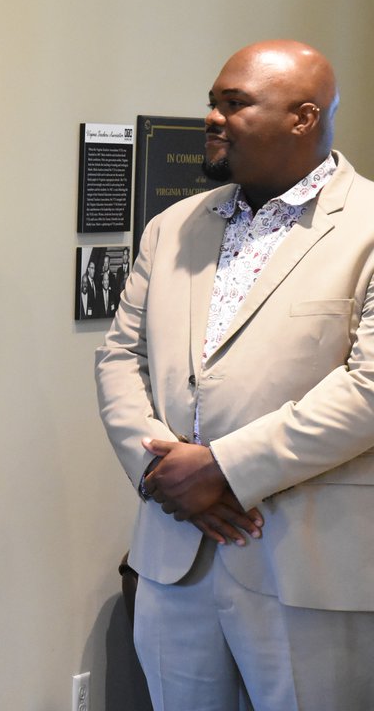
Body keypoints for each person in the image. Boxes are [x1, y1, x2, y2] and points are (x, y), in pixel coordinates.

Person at [96, 40, 374, 709]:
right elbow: (120, 359)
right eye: (213, 102)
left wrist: (224, 468)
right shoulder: (171, 228)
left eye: (235, 103)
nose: (213, 118)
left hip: (308, 569)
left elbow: (367, 388)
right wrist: (161, 470)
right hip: (176, 557)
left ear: (304, 117)